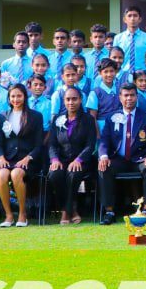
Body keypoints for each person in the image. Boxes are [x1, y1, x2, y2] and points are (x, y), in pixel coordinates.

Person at [96, 84, 146, 225]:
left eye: (132, 95)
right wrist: (104, 156)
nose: (129, 98)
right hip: (119, 158)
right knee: (104, 167)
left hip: (140, 158)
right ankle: (109, 212)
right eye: (126, 95)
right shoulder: (111, 117)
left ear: (137, 97)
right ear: (120, 97)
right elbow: (104, 140)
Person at [0, 84, 45, 227]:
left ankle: (22, 214)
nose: (16, 99)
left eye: (19, 96)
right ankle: (9, 215)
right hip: (8, 158)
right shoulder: (2, 116)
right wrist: (1, 158)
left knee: (16, 174)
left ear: (25, 97)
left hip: (28, 159)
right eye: (13, 96)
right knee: (2, 175)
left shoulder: (35, 116)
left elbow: (39, 144)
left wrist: (28, 158)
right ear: (9, 99)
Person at [48, 87, 97, 225]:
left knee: (73, 173)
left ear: (80, 100)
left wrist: (78, 160)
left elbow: (90, 145)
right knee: (54, 174)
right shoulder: (58, 119)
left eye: (74, 99)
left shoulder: (88, 119)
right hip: (61, 160)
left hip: (82, 161)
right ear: (63, 101)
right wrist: (55, 159)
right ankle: (72, 209)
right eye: (68, 99)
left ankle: (65, 212)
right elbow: (52, 143)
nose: (71, 102)